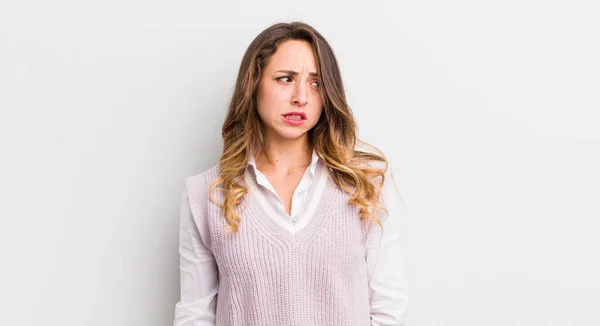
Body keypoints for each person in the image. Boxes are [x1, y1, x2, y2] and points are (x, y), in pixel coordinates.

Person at [173, 21, 408, 326]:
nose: (302, 97)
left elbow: (389, 309)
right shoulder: (207, 195)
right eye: (285, 79)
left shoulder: (366, 185)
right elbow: (195, 315)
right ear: (254, 84)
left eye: (316, 83)